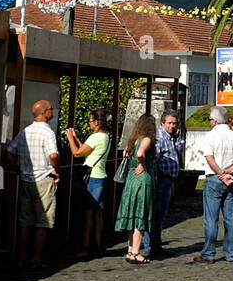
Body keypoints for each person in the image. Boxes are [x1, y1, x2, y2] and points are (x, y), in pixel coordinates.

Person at [6, 99, 60, 268]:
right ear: (45, 113)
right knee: (42, 221)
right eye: (51, 109)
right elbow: (53, 155)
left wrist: (16, 166)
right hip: (43, 178)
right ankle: (36, 257)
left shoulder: (25, 132)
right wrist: (56, 169)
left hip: (25, 179)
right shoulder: (47, 132)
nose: (52, 111)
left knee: (25, 220)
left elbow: (9, 150)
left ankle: (22, 256)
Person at [193, 105, 233, 263]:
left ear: (214, 121)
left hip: (214, 178)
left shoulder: (210, 136)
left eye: (210, 120)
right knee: (230, 218)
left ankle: (209, 253)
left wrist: (220, 173)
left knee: (211, 218)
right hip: (232, 179)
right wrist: (229, 171)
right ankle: (230, 253)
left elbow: (210, 159)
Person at [65, 110, 111, 258]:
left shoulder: (96, 137)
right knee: (98, 214)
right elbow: (87, 151)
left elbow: (78, 153)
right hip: (101, 176)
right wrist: (78, 139)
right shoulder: (106, 137)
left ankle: (85, 247)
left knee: (89, 214)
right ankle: (97, 245)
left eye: (91, 121)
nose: (89, 124)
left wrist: (70, 138)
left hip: (93, 179)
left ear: (97, 122)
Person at [115, 114, 156, 263]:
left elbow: (127, 153)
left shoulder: (133, 140)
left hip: (131, 179)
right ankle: (136, 253)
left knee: (131, 215)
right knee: (140, 214)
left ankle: (130, 250)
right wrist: (143, 164)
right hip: (142, 179)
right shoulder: (146, 139)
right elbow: (140, 154)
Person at [144, 110, 183, 258]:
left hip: (168, 180)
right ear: (162, 123)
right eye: (169, 123)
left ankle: (156, 245)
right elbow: (155, 161)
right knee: (156, 214)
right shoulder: (160, 137)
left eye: (174, 123)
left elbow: (177, 152)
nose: (172, 126)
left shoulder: (171, 137)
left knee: (161, 215)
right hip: (161, 179)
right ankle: (152, 247)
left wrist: (177, 138)